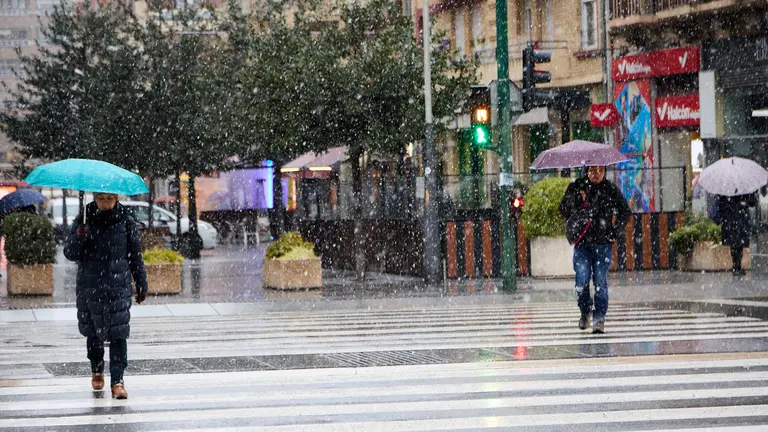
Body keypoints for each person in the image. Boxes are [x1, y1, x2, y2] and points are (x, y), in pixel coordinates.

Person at [64, 193, 147, 399]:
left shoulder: (126, 221)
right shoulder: (84, 219)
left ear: (117, 198)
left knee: (119, 333)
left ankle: (117, 381)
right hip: (90, 286)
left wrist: (141, 282)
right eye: (101, 199)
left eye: (110, 199)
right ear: (94, 198)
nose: (106, 204)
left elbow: (135, 255)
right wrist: (79, 237)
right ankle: (97, 368)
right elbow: (70, 252)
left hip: (117, 286)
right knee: (93, 333)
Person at [559, 166, 631, 334]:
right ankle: (585, 311)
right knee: (581, 281)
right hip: (582, 243)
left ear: (605, 171)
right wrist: (577, 199)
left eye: (600, 170)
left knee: (600, 281)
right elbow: (563, 209)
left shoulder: (610, 189)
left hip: (603, 243)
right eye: (592, 170)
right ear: (587, 170)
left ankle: (599, 317)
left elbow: (625, 211)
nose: (596, 173)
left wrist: (616, 230)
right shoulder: (577, 186)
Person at [710, 193, 757, 276]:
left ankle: (736, 266)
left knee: (736, 243)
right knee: (737, 243)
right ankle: (736, 266)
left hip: (733, 218)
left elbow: (752, 202)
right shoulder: (741, 189)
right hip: (735, 218)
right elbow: (752, 202)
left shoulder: (728, 189)